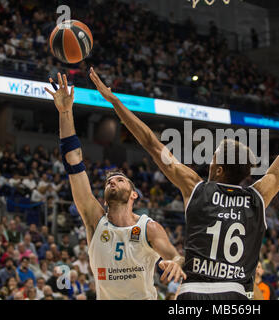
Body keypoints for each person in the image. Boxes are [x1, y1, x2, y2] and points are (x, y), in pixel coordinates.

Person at [89, 65, 279, 299]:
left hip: (194, 292)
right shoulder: (258, 196)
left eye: (213, 158)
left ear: (218, 169)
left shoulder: (196, 187)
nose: (208, 161)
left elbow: (150, 143)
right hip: (236, 295)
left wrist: (115, 102)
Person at [45, 73, 186, 300]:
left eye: (120, 179)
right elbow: (73, 161)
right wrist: (65, 112)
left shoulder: (149, 228)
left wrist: (177, 262)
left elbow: (176, 256)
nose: (112, 181)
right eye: (110, 181)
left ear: (134, 195)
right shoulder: (94, 219)